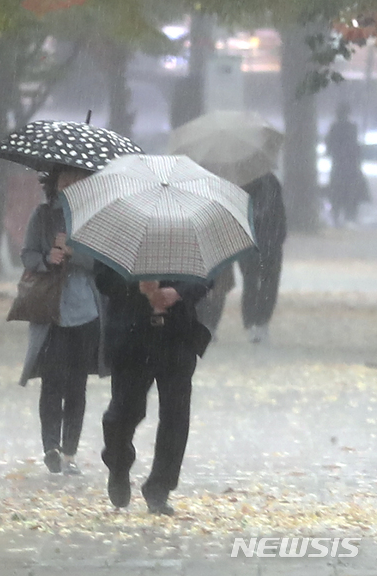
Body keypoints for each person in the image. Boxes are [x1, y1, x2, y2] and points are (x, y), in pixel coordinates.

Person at [95, 264, 211, 514]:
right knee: (125, 411)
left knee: (176, 415)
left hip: (177, 336)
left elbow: (206, 276)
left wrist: (177, 293)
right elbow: (103, 279)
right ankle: (118, 462)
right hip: (130, 337)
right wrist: (137, 289)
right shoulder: (121, 232)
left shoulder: (186, 233)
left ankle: (159, 487)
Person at [19, 165, 107, 476]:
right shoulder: (42, 216)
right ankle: (50, 448)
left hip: (85, 313)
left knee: (77, 386)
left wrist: (75, 253)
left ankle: (70, 451)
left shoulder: (95, 219)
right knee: (52, 382)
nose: (70, 183)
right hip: (51, 312)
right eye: (65, 177)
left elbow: (102, 264)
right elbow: (27, 254)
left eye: (78, 178)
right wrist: (47, 259)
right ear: (54, 181)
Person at [196, 172, 286, 344]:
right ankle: (257, 322)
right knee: (260, 282)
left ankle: (255, 322)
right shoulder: (268, 182)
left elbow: (275, 214)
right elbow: (277, 215)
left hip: (255, 240)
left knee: (256, 281)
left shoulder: (240, 183)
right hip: (260, 241)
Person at [326, 103, 370, 227]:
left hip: (338, 165)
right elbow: (355, 147)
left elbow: (329, 148)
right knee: (351, 190)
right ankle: (349, 214)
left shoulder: (334, 128)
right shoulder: (352, 128)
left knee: (337, 191)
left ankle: (336, 214)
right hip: (350, 166)